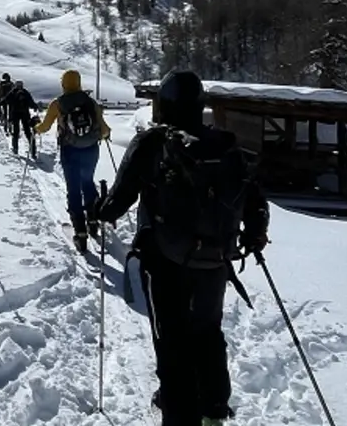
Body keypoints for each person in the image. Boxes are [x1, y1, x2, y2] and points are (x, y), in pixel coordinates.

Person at [95, 70, 270, 426]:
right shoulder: (224, 146)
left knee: (171, 341)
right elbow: (254, 201)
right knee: (208, 332)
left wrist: (101, 210)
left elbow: (118, 201)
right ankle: (214, 410)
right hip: (214, 262)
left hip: (164, 261)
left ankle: (179, 416)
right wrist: (254, 237)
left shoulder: (152, 143)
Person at [34, 69, 110, 251]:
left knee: (73, 188)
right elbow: (104, 129)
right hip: (91, 150)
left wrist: (35, 128)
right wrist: (103, 135)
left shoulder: (57, 104)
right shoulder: (90, 102)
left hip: (70, 151)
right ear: (79, 82)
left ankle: (80, 233)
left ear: (63, 84)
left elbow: (44, 127)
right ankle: (92, 221)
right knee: (87, 182)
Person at [0, 80, 38, 155]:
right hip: (25, 114)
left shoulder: (13, 92)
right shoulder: (25, 92)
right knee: (28, 132)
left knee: (16, 131)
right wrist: (35, 106)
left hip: (15, 114)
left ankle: (15, 148)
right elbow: (31, 103)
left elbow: (6, 100)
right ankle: (33, 150)